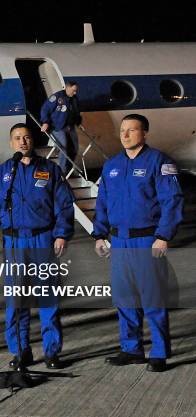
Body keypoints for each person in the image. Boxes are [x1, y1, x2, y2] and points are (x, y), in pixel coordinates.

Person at [92, 114, 183, 373]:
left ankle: (159, 352)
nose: (126, 135)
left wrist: (163, 236)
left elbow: (172, 201)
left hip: (147, 239)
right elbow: (103, 203)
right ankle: (131, 349)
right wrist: (100, 234)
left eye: (132, 130)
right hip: (119, 240)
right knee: (125, 297)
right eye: (123, 130)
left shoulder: (159, 162)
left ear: (145, 133)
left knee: (152, 297)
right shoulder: (112, 166)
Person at [0, 124, 74, 369]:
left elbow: (64, 205)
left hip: (42, 239)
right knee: (16, 299)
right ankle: (20, 350)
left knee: (47, 296)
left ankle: (52, 351)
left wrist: (61, 234)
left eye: (26, 137)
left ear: (32, 141)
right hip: (13, 242)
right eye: (17, 138)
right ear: (11, 143)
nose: (22, 142)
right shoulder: (2, 173)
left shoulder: (49, 170)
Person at [40, 81, 83, 174]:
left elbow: (76, 113)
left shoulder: (74, 99)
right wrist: (45, 122)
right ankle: (62, 171)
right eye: (73, 91)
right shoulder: (56, 97)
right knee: (64, 148)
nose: (75, 93)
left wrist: (79, 123)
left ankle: (69, 169)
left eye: (76, 91)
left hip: (70, 127)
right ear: (67, 88)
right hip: (57, 127)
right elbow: (45, 109)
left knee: (75, 148)